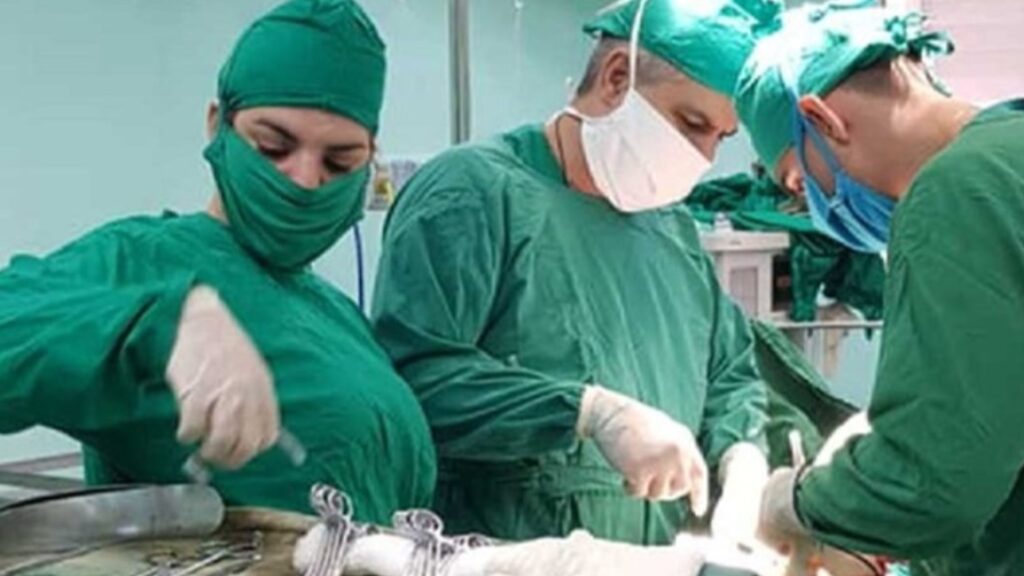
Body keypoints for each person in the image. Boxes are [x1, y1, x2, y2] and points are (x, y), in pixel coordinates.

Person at [0, 0, 436, 525]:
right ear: (216, 126)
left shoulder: (337, 314)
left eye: (339, 161)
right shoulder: (139, 261)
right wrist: (157, 322)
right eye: (273, 147)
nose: (303, 180)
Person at [370, 0, 774, 546]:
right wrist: (589, 412)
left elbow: (729, 371)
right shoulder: (472, 194)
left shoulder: (672, 229)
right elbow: (417, 379)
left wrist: (741, 453)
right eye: (693, 123)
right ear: (616, 77)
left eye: (721, 137)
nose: (703, 156)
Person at [736, 3, 1024, 574]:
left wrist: (796, 503)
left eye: (800, 184)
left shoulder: (957, 192)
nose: (813, 207)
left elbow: (934, 484)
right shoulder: (1009, 155)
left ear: (823, 120)